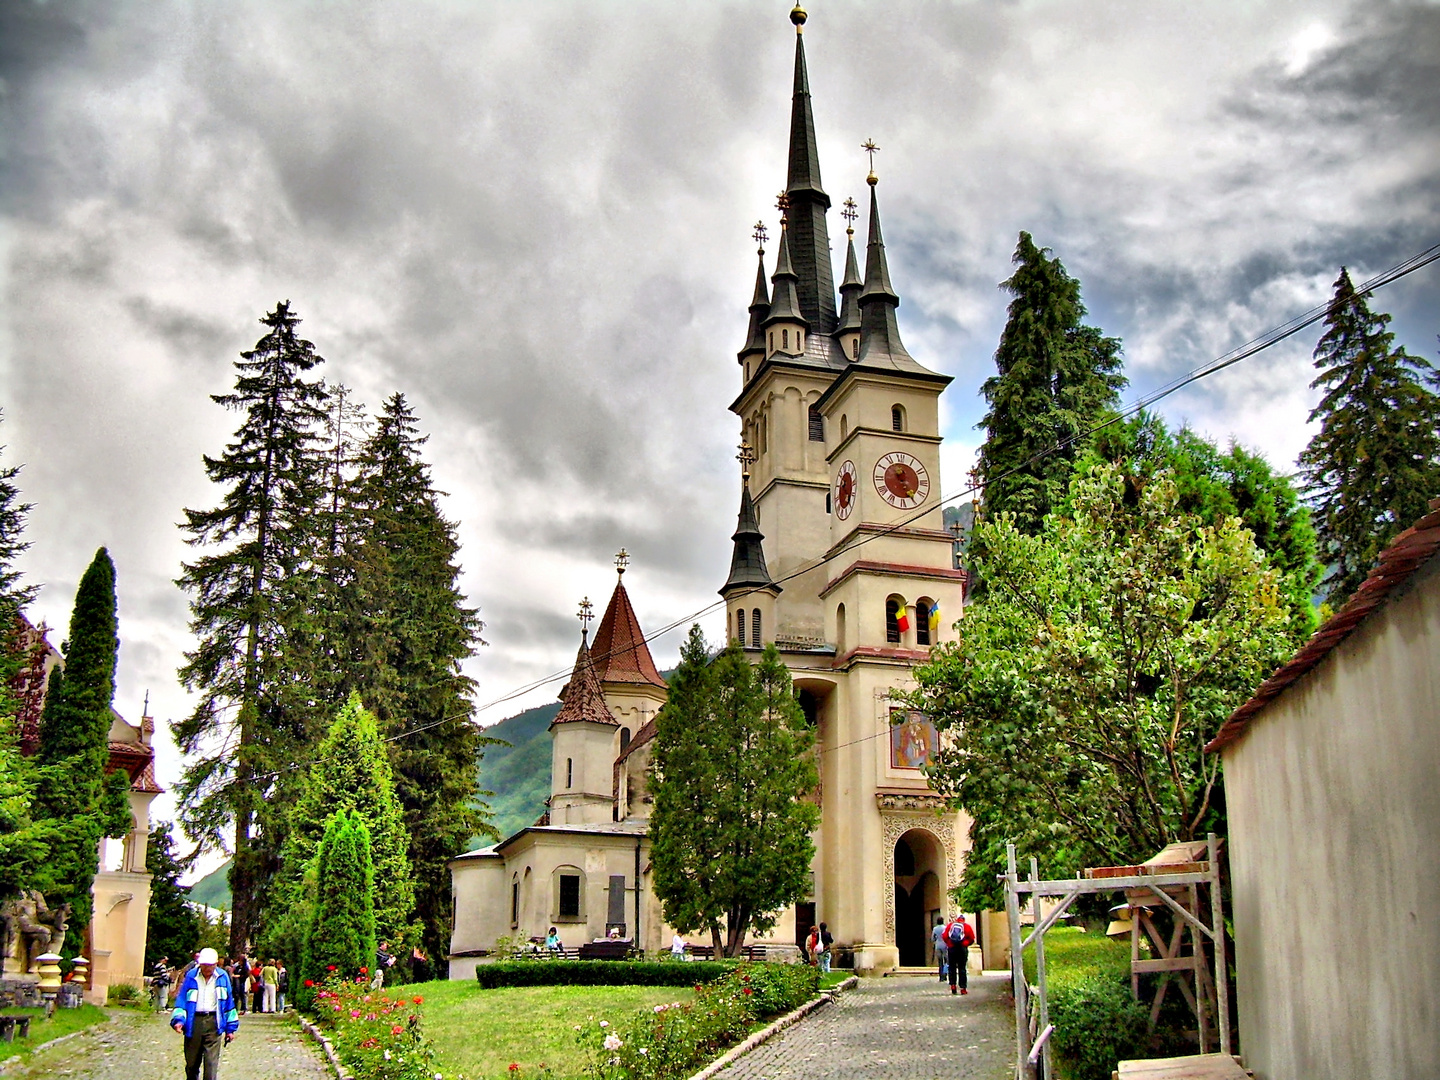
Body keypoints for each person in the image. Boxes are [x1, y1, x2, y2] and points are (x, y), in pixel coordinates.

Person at [170, 947, 239, 1080]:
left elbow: (229, 1003)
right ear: (200, 964)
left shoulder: (222, 977)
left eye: (210, 965)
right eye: (204, 965)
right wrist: (179, 1020)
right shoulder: (191, 976)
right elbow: (182, 1000)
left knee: (211, 1065)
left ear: (215, 964)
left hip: (214, 1022)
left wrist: (230, 1029)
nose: (207, 968)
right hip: (193, 1022)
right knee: (191, 1064)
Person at [943, 914, 973, 996]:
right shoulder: (967, 927)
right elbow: (972, 938)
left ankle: (953, 985)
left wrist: (949, 944)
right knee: (962, 968)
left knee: (952, 967)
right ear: (963, 920)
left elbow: (945, 936)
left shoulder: (950, 926)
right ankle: (963, 988)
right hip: (962, 949)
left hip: (952, 949)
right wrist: (965, 944)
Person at [930, 917, 948, 982]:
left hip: (938, 945)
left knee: (940, 961)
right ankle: (945, 974)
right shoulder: (945, 928)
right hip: (945, 945)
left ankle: (941, 976)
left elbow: (932, 938)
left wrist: (936, 940)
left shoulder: (935, 928)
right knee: (946, 961)